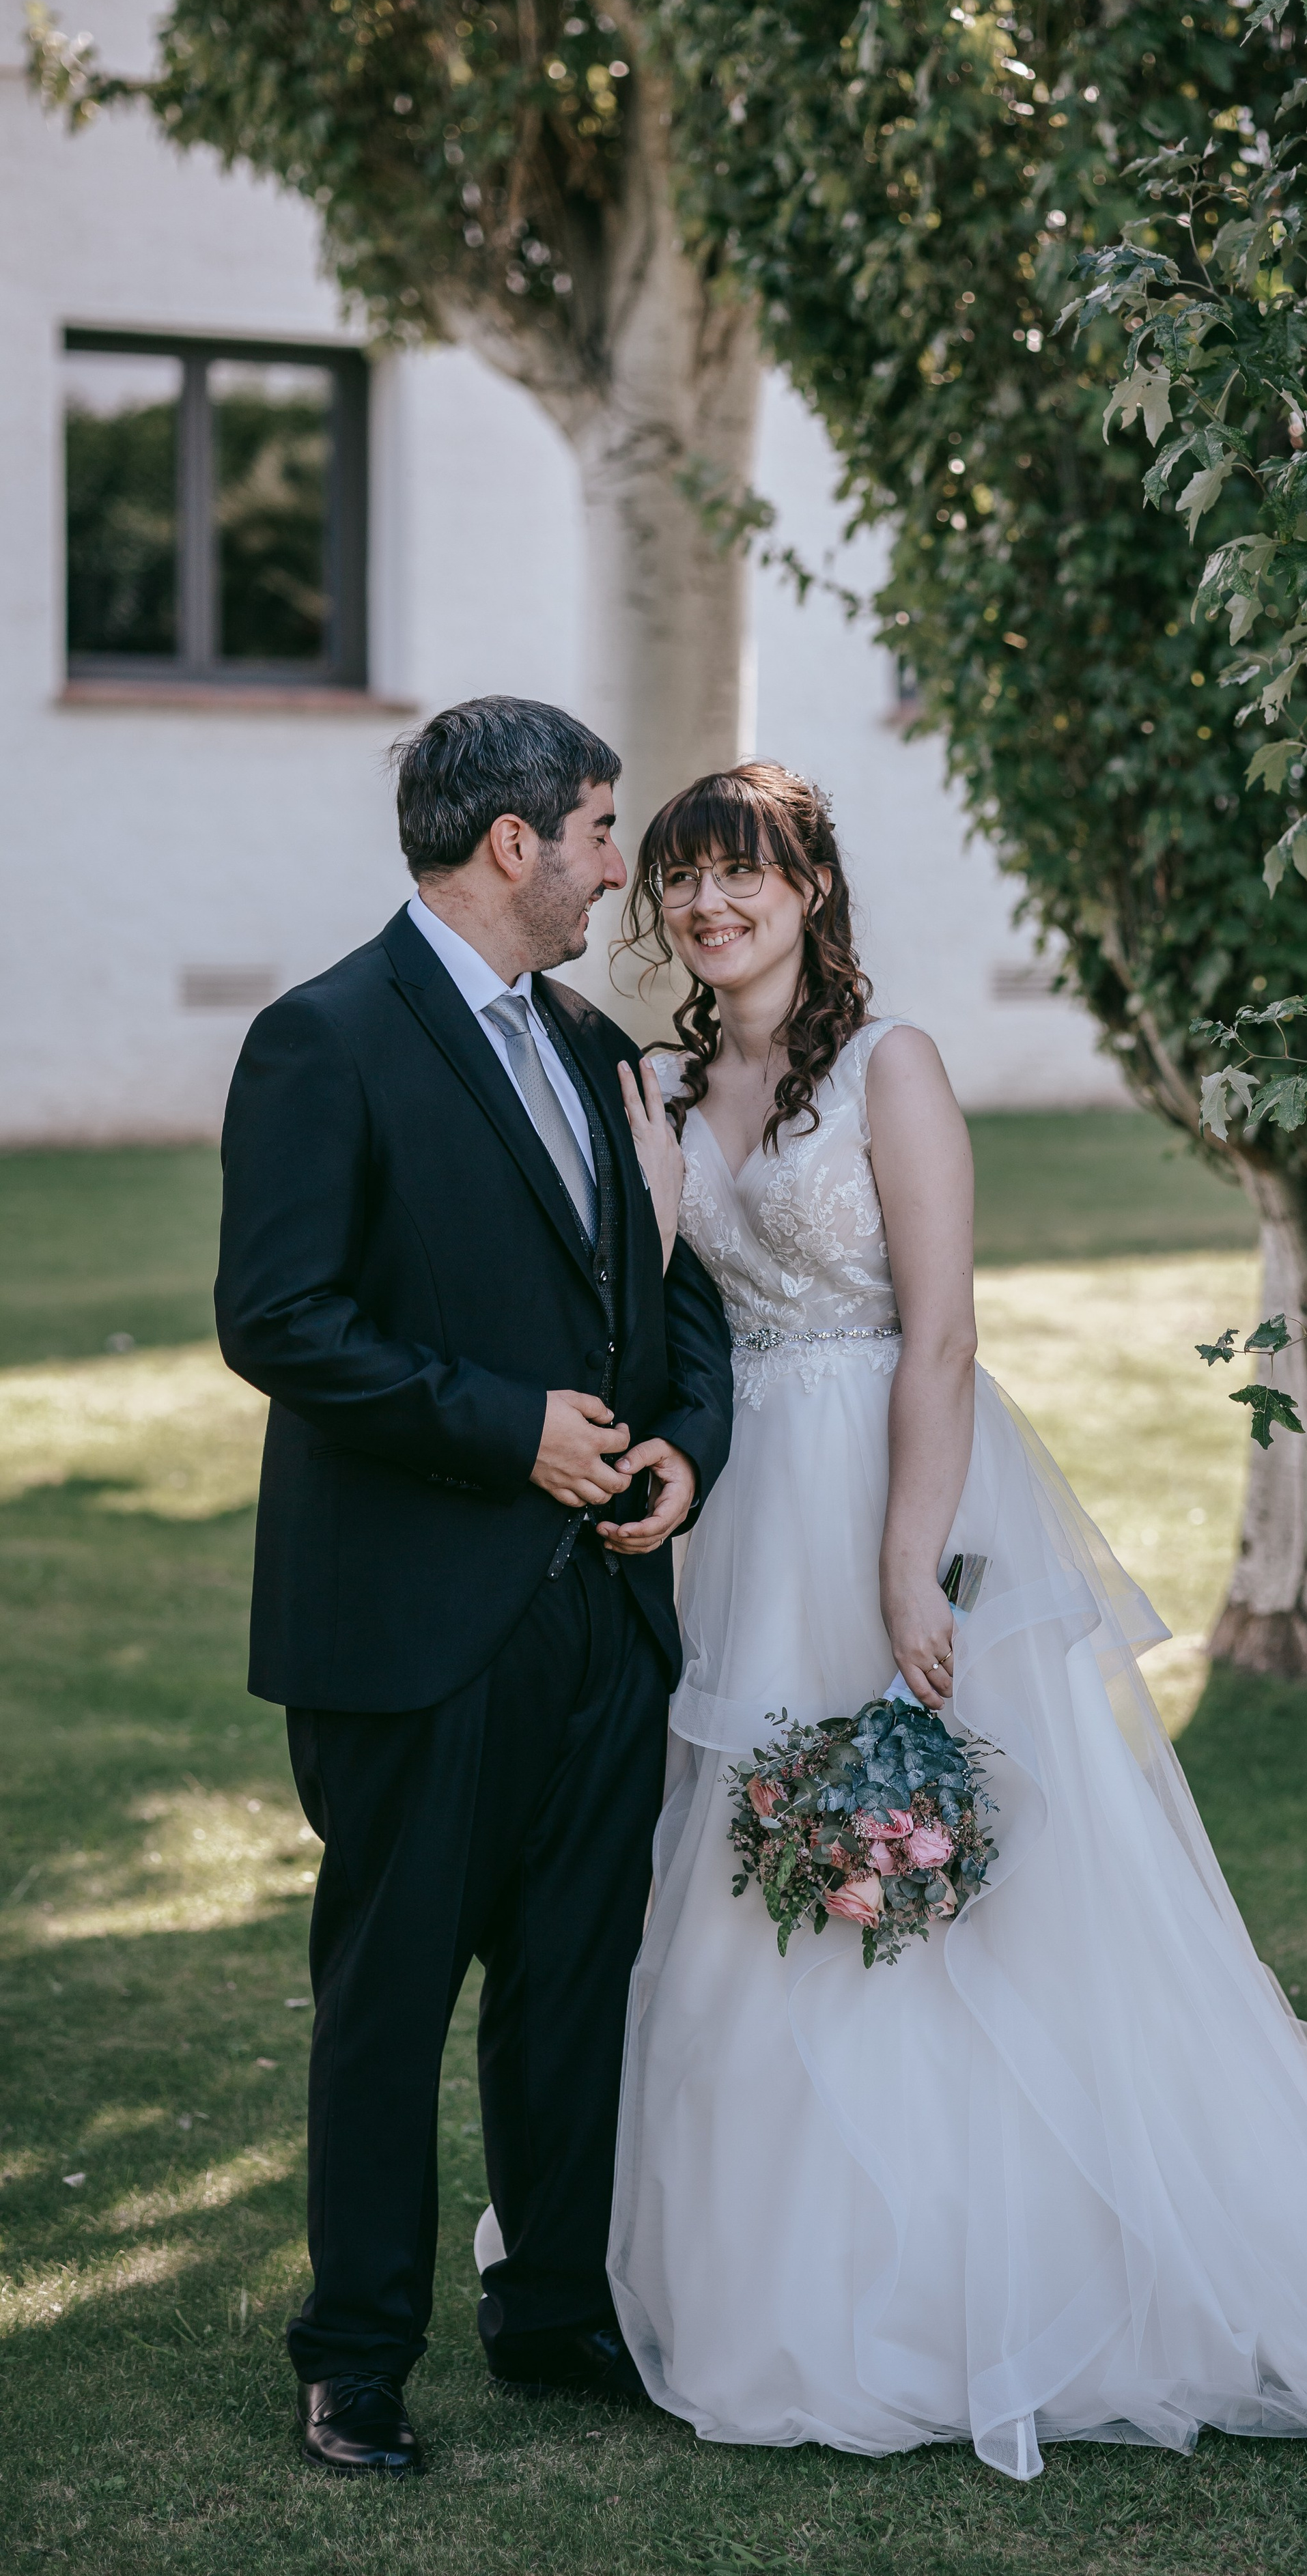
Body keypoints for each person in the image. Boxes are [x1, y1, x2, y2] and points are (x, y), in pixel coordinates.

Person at [569, 760, 1307, 2480]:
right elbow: (658, 1305)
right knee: (748, 1859)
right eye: (683, 883)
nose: (711, 907)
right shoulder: (675, 1076)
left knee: (957, 1861)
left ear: (808, 888)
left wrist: (904, 1564)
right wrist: (649, 1158)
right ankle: (766, 2267)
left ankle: (1001, 2268)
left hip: (887, 1472)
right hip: (745, 1508)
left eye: (743, 875)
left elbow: (939, 1333)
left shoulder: (894, 1065)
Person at [214, 697, 733, 2476]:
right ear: (511, 843)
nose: (615, 866)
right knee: (389, 2000)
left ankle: (557, 2312)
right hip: (411, 1627)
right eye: (598, 829)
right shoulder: (324, 1042)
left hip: (601, 1611)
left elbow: (675, 1298)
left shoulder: (594, 1047)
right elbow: (280, 1322)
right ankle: (354, 2362)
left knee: (574, 1981)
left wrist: (683, 1447)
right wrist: (506, 1428)